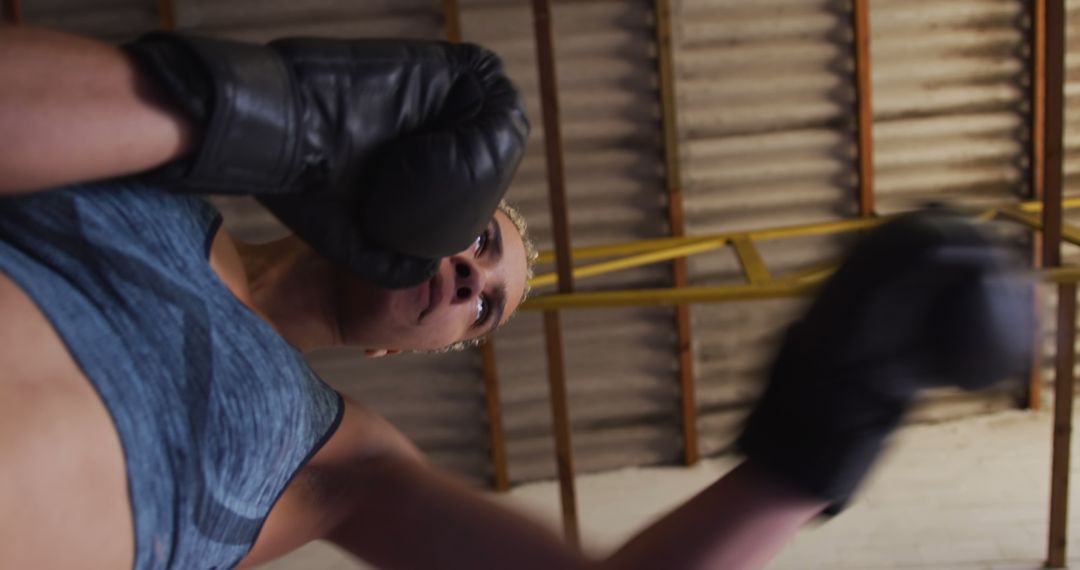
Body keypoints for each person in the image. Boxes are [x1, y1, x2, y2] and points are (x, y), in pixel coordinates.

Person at [0, 25, 1034, 570]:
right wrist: (290, 118)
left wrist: (817, 445)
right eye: (483, 244)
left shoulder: (339, 459)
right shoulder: (159, 180)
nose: (471, 278)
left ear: (418, 352)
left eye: (483, 307)